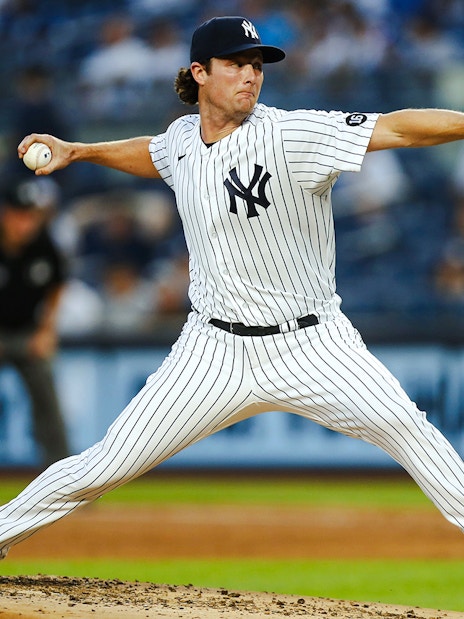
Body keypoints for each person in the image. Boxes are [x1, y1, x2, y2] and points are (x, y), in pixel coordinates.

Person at [1, 14, 464, 560]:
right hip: (211, 349)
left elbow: (399, 127)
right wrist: (81, 150)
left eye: (256, 64)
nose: (251, 75)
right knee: (105, 462)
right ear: (200, 72)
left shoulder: (291, 135)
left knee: (412, 433)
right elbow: (155, 154)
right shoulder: (180, 139)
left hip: (312, 344)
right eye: (236, 64)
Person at [0, 177, 70, 469]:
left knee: (48, 399)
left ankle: (63, 480)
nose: (26, 223)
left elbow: (57, 286)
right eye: (19, 214)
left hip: (29, 334)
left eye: (31, 215)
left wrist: (46, 330)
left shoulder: (44, 244)